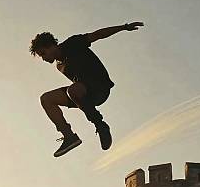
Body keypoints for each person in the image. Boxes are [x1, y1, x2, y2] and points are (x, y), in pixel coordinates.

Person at [29, 22, 144, 157]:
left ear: (52, 45)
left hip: (100, 88)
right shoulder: (59, 65)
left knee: (73, 90)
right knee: (46, 99)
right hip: (82, 94)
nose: (43, 58)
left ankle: (100, 125)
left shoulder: (73, 44)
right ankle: (69, 136)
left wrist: (123, 27)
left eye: (43, 53)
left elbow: (98, 35)